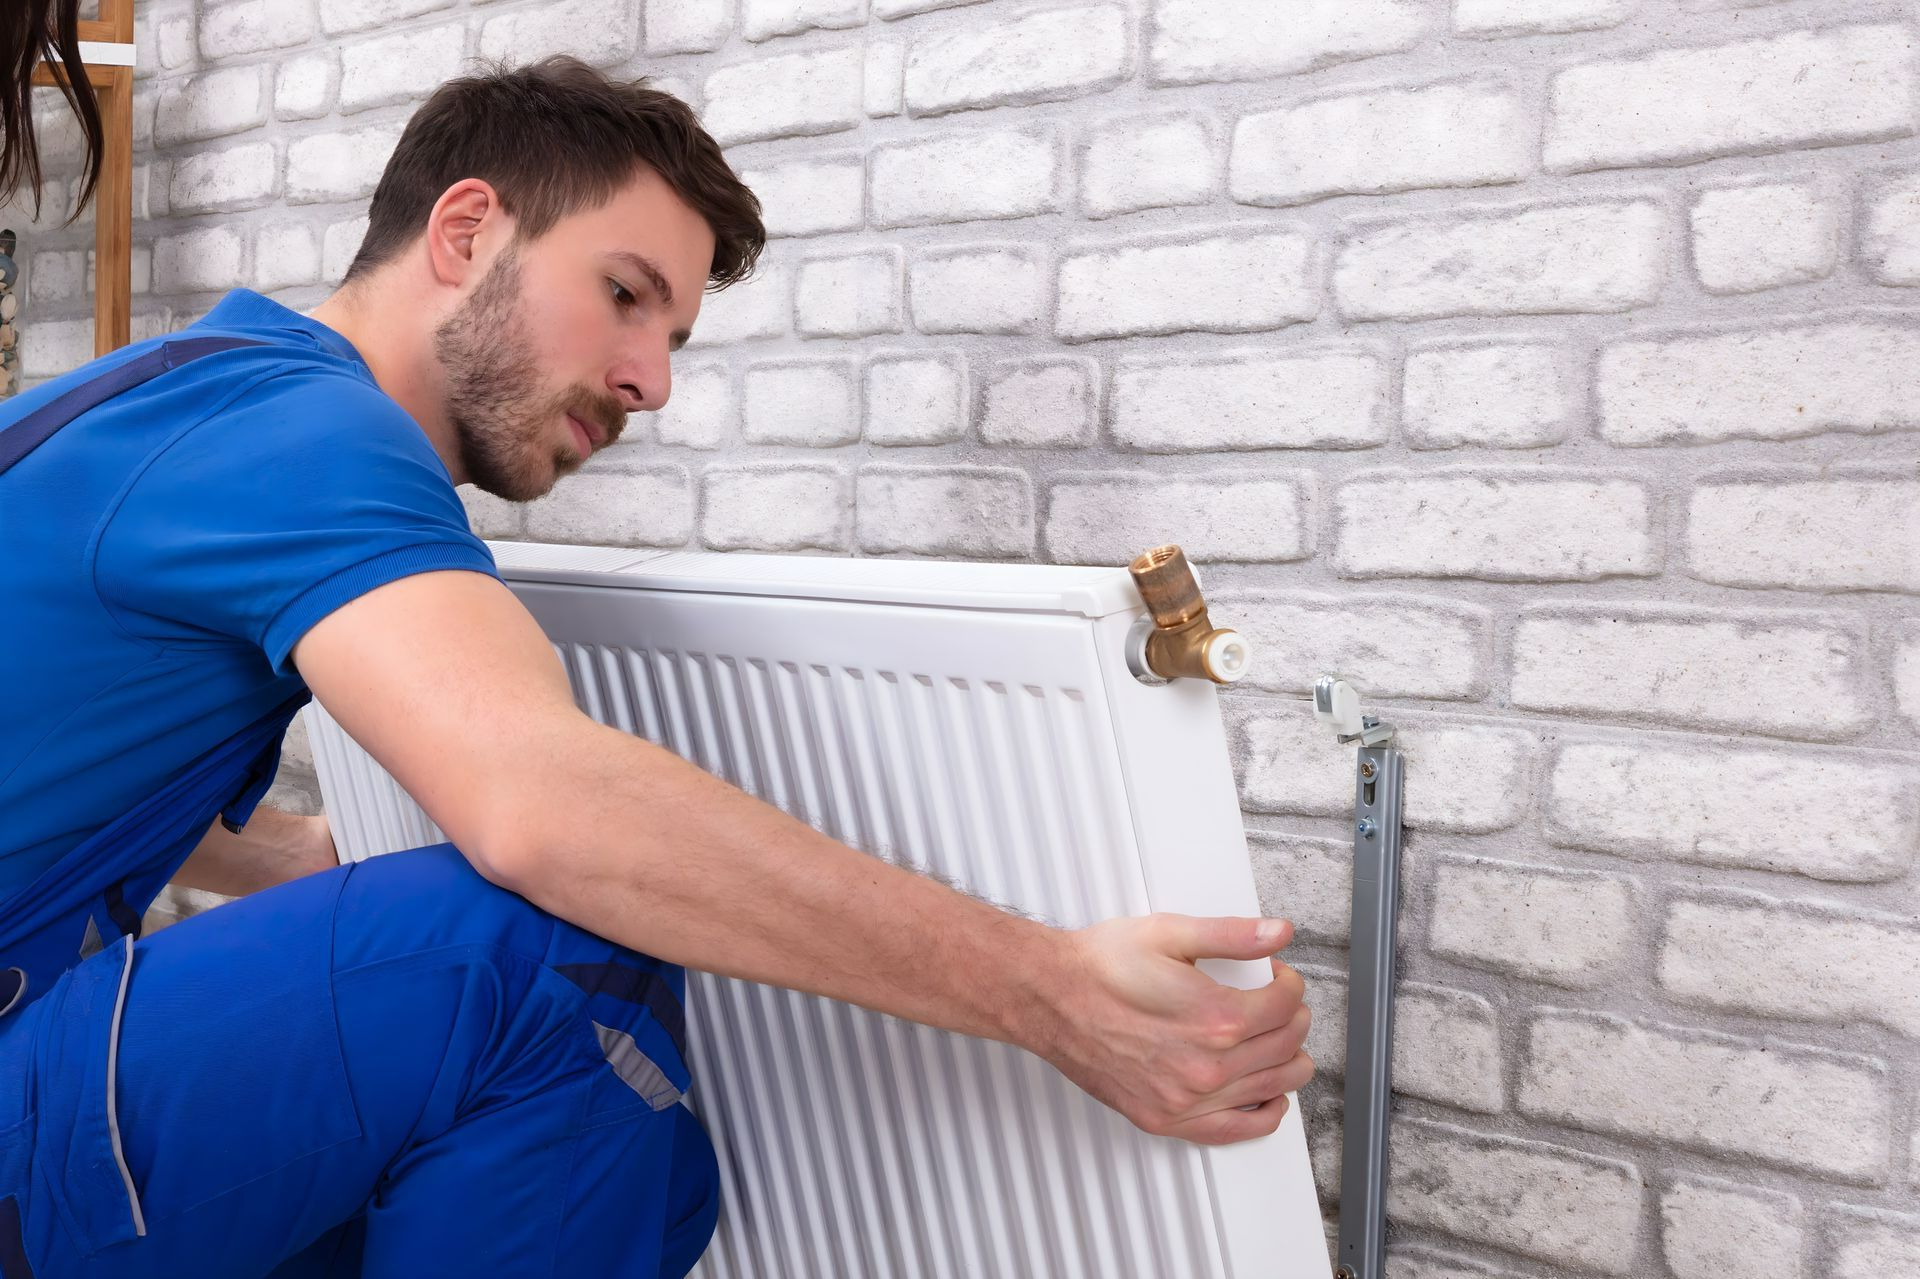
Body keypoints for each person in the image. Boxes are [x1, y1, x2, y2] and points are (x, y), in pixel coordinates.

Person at [0, 29, 1314, 1279]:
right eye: (623, 295)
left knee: (653, 1172)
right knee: (540, 966)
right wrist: (1056, 995)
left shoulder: (174, 393)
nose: (650, 382)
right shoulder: (315, 438)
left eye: (672, 338)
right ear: (465, 234)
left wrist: (289, 854)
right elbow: (543, 808)